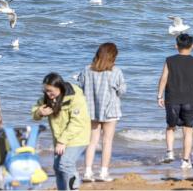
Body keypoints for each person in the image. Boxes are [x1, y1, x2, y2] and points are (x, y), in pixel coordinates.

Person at [156, 33, 193, 169]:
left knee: (170, 127)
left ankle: (170, 153)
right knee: (188, 130)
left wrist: (159, 96)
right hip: (190, 99)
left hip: (172, 99)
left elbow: (163, 78)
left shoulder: (169, 60)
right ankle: (185, 161)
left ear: (176, 46)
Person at [32, 73, 90, 190]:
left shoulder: (75, 97)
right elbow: (34, 113)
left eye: (50, 91)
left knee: (65, 164)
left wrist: (62, 141)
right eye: (45, 90)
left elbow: (77, 122)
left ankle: (74, 188)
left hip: (77, 136)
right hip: (59, 138)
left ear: (60, 87)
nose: (48, 94)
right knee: (57, 167)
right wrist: (39, 112)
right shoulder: (47, 98)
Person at [78, 42, 127, 182]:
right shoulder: (115, 71)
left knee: (92, 142)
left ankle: (88, 172)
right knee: (107, 142)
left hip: (91, 109)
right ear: (113, 56)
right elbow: (122, 91)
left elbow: (80, 87)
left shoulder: (87, 69)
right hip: (110, 110)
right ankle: (103, 173)